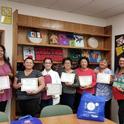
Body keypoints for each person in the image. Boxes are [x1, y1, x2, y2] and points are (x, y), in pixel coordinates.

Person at [0, 45, 13, 112]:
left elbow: (12, 75)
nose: (0, 52)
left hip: (6, 91)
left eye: (2, 50)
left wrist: (10, 75)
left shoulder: (7, 62)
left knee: (2, 111)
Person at [113, 55, 124, 124]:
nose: (121, 62)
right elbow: (116, 81)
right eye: (120, 61)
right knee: (122, 113)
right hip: (118, 96)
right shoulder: (117, 70)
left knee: (121, 113)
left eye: (123, 61)